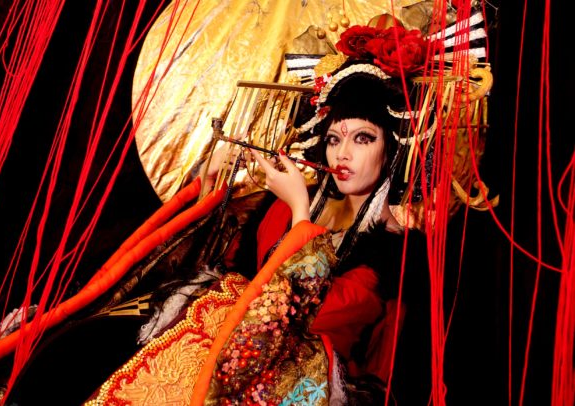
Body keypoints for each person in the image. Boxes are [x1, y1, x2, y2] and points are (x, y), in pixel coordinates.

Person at [61, 57, 430, 405]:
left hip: (289, 382)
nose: (342, 154)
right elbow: (211, 259)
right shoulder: (281, 206)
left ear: (392, 148)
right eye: (334, 139)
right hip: (214, 352)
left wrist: (301, 214)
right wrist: (212, 179)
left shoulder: (394, 255)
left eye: (363, 139)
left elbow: (295, 318)